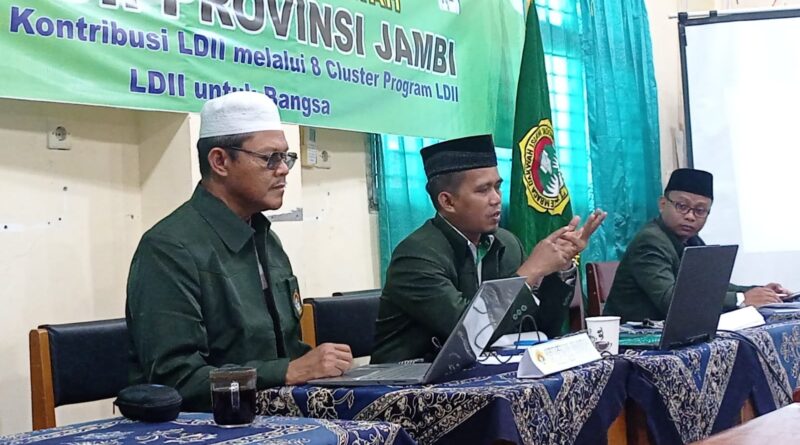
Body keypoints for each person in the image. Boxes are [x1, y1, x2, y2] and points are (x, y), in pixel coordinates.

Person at [125, 92, 352, 411]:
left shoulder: (266, 239)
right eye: (269, 158)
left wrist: (327, 368)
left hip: (279, 414)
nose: (283, 170)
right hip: (210, 424)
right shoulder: (168, 248)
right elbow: (176, 380)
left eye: (285, 157)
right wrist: (287, 371)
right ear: (220, 162)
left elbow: (287, 351)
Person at [370, 134, 605, 364]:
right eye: (483, 190)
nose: (496, 199)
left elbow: (540, 328)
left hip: (480, 373)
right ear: (447, 202)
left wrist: (561, 267)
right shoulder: (416, 256)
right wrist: (530, 272)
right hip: (408, 381)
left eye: (497, 187)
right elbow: (469, 332)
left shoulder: (507, 244)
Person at [603, 168, 790, 322]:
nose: (690, 216)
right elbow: (671, 300)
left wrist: (759, 292)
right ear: (662, 204)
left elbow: (711, 286)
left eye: (700, 210)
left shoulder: (692, 240)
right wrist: (741, 299)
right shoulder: (650, 241)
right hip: (629, 340)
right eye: (682, 206)